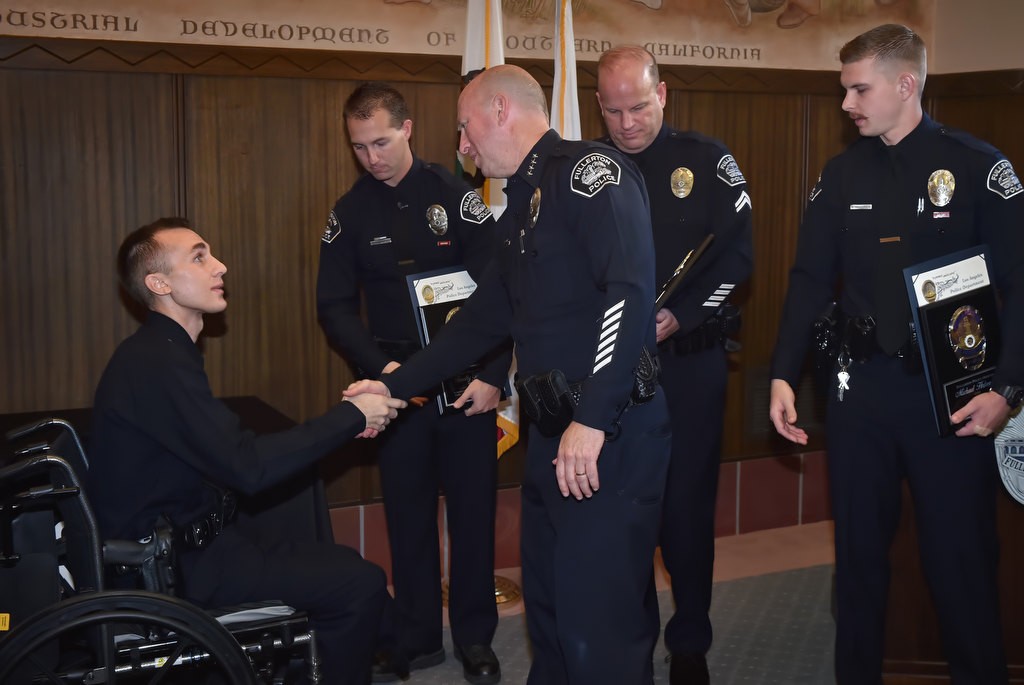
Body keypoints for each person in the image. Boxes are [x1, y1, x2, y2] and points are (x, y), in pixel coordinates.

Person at [346, 64, 672, 685]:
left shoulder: (588, 175)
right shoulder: (522, 205)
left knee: (598, 623)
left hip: (608, 434)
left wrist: (592, 418)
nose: (462, 147)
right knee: (550, 612)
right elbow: (475, 325)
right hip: (558, 434)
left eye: (466, 129)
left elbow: (628, 296)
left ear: (500, 111)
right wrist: (391, 387)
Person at [768, 24, 1023, 684]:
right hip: (861, 397)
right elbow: (807, 280)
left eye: (859, 89)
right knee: (857, 562)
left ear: (905, 84)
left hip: (953, 399)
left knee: (961, 561)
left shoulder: (977, 166)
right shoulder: (841, 171)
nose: (847, 104)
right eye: (844, 89)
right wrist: (780, 373)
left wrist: (1008, 388)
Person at [88, 217, 407, 685]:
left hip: (195, 543)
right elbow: (248, 466)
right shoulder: (156, 361)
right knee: (358, 582)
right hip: (173, 569)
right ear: (158, 283)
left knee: (342, 567)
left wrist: (349, 420)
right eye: (199, 257)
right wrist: (353, 416)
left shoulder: (161, 352)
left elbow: (230, 453)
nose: (220, 265)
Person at [316, 81, 509, 684]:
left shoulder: (457, 196)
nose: (371, 157)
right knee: (408, 516)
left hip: (467, 387)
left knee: (474, 516)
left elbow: (501, 296)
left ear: (406, 130)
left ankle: (476, 637)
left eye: (380, 141)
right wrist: (380, 369)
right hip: (397, 389)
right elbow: (335, 307)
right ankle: (420, 634)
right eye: (359, 146)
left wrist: (495, 376)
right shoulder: (349, 214)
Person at [595, 45, 753, 685]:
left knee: (686, 510)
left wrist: (678, 317)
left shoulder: (709, 161)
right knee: (625, 508)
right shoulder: (590, 169)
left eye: (638, 106)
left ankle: (690, 641)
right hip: (613, 371)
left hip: (688, 363)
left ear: (663, 95)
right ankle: (631, 639)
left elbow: (738, 261)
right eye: (612, 110)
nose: (627, 123)